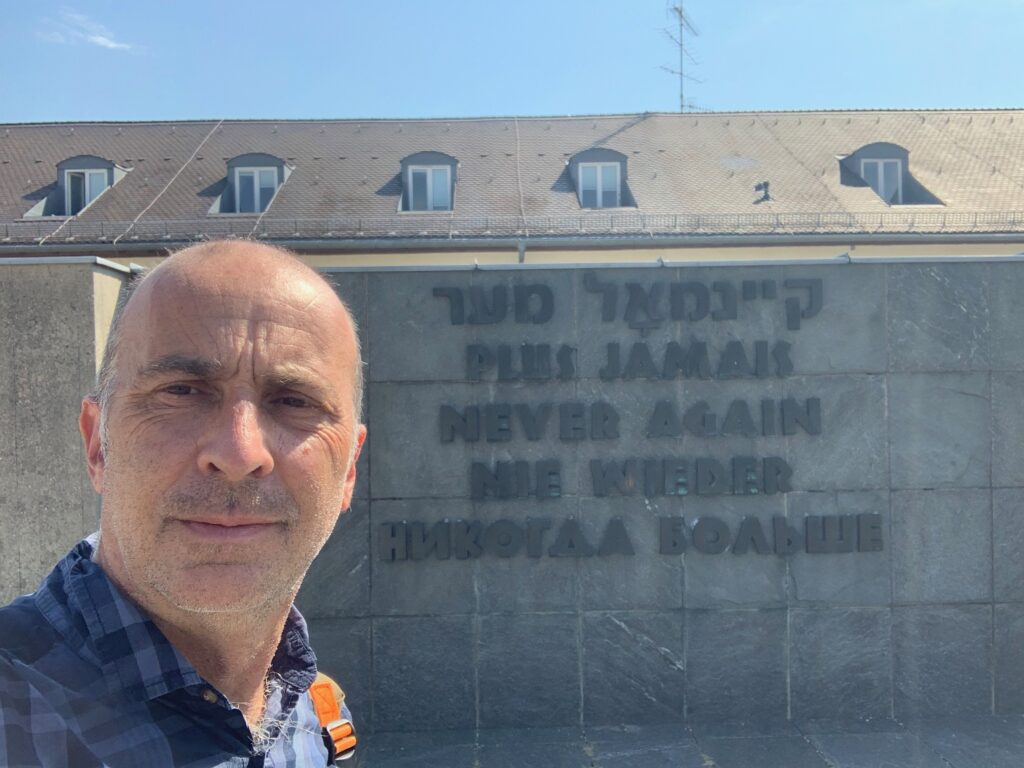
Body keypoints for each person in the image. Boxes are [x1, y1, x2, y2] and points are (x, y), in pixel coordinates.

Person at [0, 240, 367, 766]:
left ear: (349, 467)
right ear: (98, 444)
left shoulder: (318, 716)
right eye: (182, 391)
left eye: (293, 401)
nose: (239, 453)